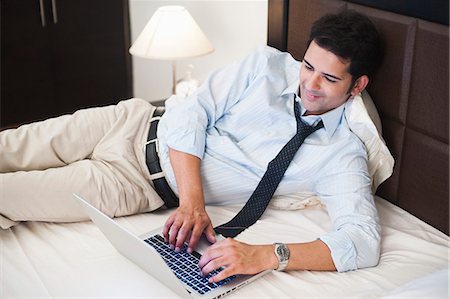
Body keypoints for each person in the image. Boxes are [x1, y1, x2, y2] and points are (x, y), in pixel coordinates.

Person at [0, 10, 384, 281]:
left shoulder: (341, 155)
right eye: (307, 66)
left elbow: (361, 242)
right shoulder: (264, 65)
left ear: (358, 85)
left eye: (329, 78)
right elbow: (190, 110)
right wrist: (193, 202)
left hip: (131, 183)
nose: (310, 84)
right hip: (128, 122)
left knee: (7, 195)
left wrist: (267, 255)